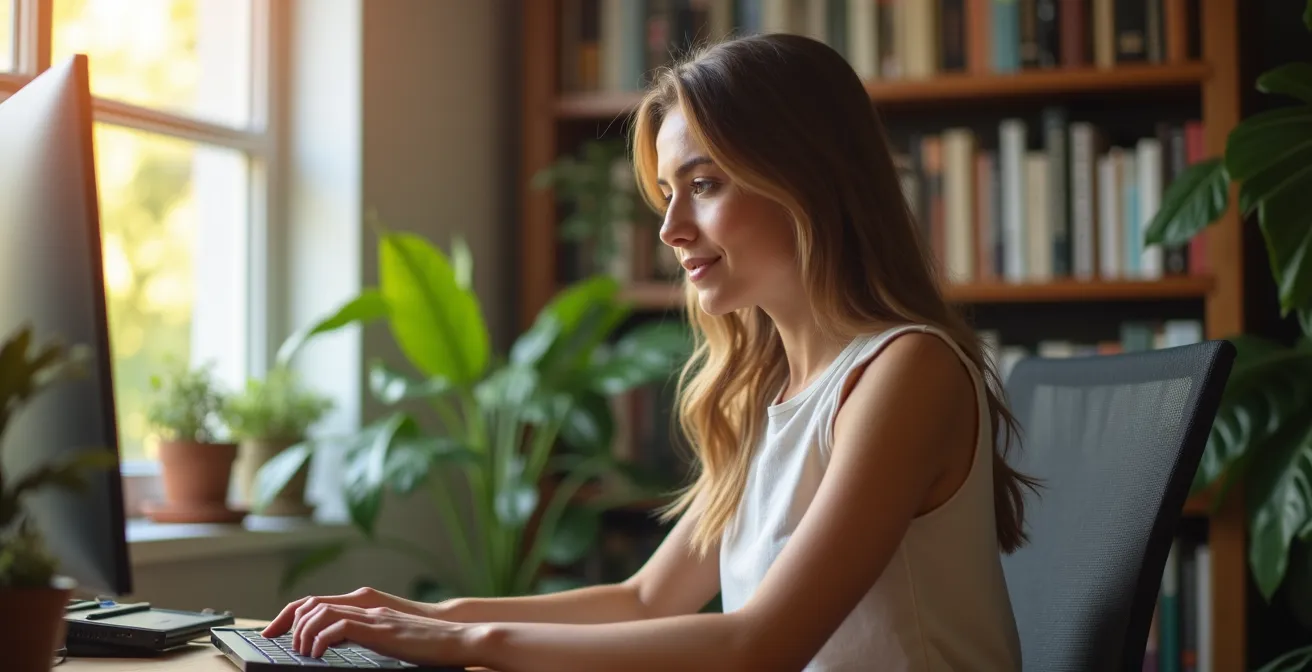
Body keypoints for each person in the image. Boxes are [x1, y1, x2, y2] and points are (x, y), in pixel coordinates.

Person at [262, 32, 1037, 671]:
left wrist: (462, 640)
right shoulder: (770, 391)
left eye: (703, 184)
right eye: (668, 195)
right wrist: (422, 614)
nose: (669, 231)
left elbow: (760, 644)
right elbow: (643, 599)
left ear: (809, 179)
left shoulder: (907, 372)